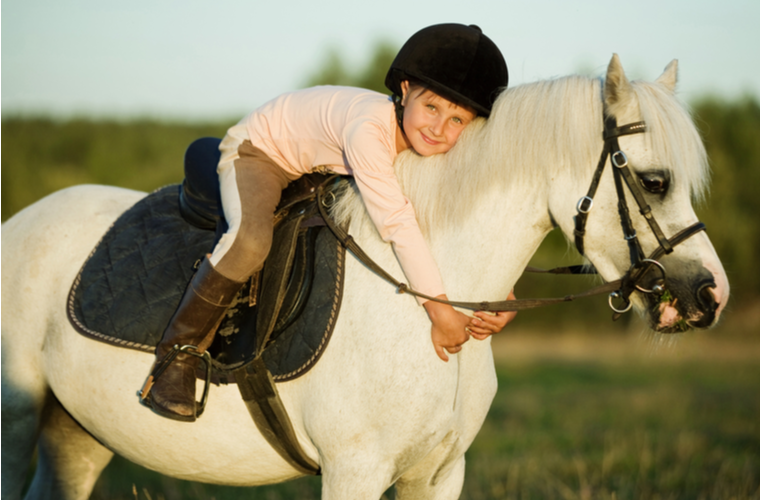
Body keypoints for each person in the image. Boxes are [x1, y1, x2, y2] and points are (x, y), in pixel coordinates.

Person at [143, 23, 517, 422]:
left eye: (457, 120)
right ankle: (176, 355)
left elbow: (449, 216)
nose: (439, 129)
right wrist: (440, 311)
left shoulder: (422, 141)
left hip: (316, 164)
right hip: (262, 151)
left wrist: (504, 291)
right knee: (251, 241)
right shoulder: (368, 131)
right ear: (405, 91)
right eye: (432, 107)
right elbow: (398, 222)